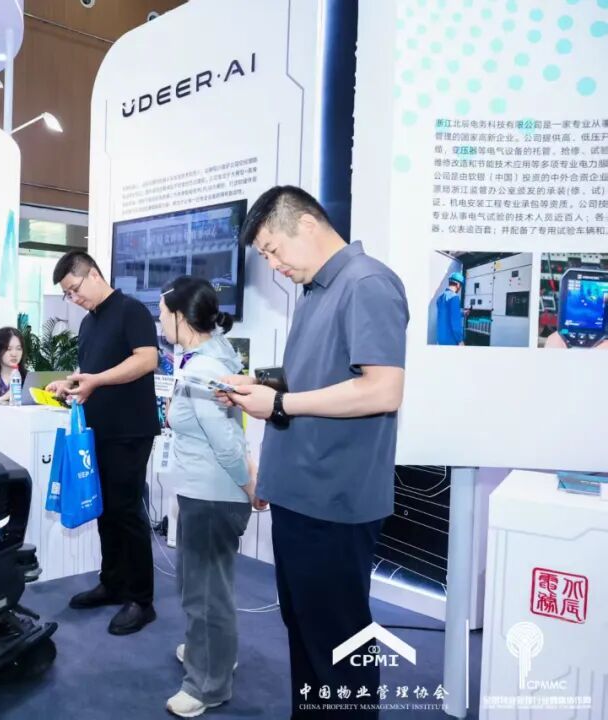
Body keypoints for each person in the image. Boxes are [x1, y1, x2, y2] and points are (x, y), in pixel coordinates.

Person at [217, 186, 409, 718]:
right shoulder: (317, 292)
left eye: (272, 250)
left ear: (305, 224)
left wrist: (280, 403)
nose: (273, 266)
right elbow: (316, 380)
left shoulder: (367, 283)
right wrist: (260, 385)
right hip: (300, 493)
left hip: (334, 500)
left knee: (338, 648)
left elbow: (382, 390)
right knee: (305, 633)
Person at [157, 276, 268, 717]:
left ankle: (207, 684)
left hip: (213, 495)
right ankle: (213, 652)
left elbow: (225, 442)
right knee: (200, 585)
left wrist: (251, 486)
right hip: (204, 492)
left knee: (204, 594)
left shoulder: (202, 368)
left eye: (163, 315)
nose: (159, 323)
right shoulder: (213, 352)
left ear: (181, 318)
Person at [45, 250, 160, 636]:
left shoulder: (131, 311)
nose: (74, 298)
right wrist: (70, 382)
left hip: (130, 429)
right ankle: (112, 583)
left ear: (93, 274)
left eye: (75, 289)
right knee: (105, 511)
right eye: (68, 295)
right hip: (98, 429)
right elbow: (90, 372)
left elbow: (146, 360)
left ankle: (141, 600)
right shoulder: (88, 323)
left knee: (126, 511)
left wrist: (96, 380)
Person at [435, 271, 464, 345]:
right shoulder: (454, 297)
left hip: (440, 339)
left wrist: (463, 313)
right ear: (458, 285)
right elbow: (455, 323)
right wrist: (460, 340)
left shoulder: (440, 297)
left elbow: (446, 314)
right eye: (461, 286)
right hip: (451, 341)